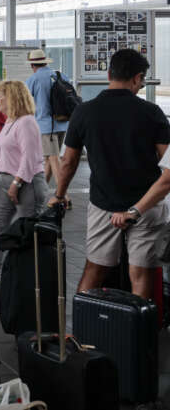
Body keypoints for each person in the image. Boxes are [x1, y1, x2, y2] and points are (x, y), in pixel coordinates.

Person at [52, 49, 169, 300]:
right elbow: (165, 159)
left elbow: (68, 162)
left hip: (103, 203)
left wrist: (59, 195)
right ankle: (139, 333)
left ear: (108, 74)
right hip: (145, 205)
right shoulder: (152, 113)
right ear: (137, 78)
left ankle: (80, 332)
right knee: (141, 273)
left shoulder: (84, 112)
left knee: (95, 268)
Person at [0, 80, 47, 288]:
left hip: (25, 183)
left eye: (1, 96)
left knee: (25, 232)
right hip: (6, 181)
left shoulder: (26, 123)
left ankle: (27, 277)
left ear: (12, 98)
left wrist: (16, 183)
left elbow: (29, 158)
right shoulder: (12, 121)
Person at [24, 49, 70, 191]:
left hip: (46, 126)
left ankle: (63, 196)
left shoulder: (33, 79)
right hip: (63, 123)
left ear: (32, 65)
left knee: (54, 159)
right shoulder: (60, 75)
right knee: (48, 159)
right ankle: (41, 192)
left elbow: (25, 101)